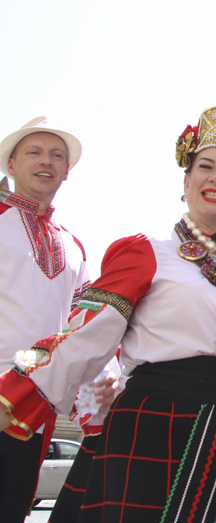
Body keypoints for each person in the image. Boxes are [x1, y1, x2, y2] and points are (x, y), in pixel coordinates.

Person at [0, 106, 216, 522]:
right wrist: (11, 400)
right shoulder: (147, 251)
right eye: (205, 166)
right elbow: (83, 338)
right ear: (186, 182)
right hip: (152, 427)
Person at [0, 116, 95, 520]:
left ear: (66, 171)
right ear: (10, 165)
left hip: (36, 408)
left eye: (57, 156)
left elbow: (83, 326)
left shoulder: (74, 247)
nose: (47, 162)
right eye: (34, 152)